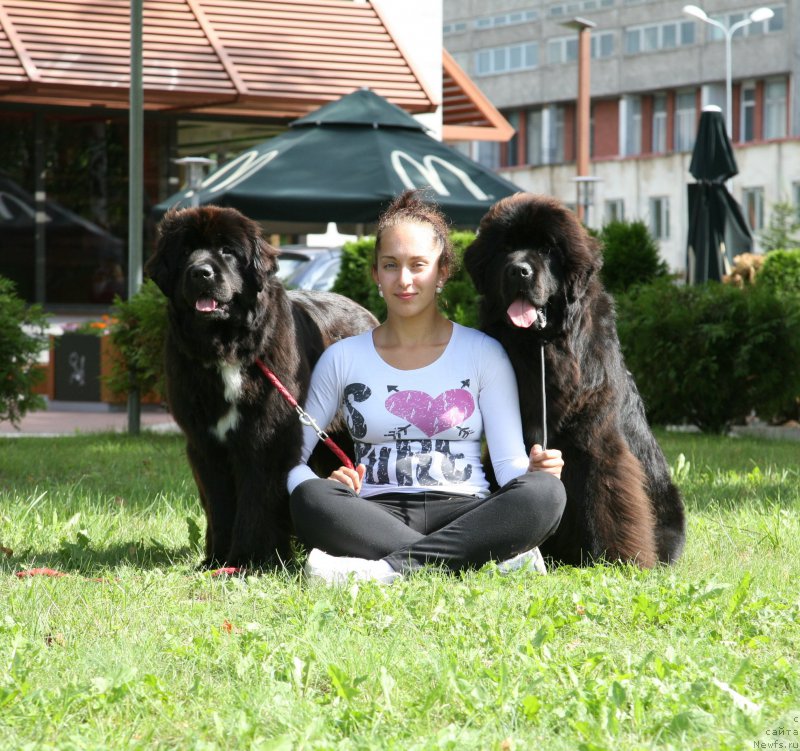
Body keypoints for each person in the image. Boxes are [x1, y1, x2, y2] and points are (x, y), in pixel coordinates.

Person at [288, 190, 566, 584]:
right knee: (311, 497)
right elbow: (290, 460)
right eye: (390, 265)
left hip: (466, 512)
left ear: (442, 271)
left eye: (418, 265)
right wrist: (320, 483)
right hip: (374, 515)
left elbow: (509, 468)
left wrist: (536, 471)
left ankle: (382, 572)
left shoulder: (483, 353)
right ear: (376, 273)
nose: (404, 280)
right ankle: (471, 566)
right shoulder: (343, 358)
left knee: (545, 493)